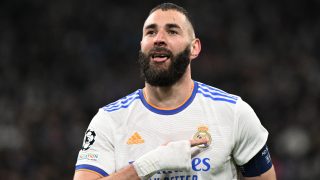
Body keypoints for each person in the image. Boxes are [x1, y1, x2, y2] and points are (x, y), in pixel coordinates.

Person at [74, 2, 277, 180]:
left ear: (194, 48)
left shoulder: (233, 113)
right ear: (141, 45)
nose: (158, 39)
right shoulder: (109, 120)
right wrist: (150, 164)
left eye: (172, 31)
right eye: (151, 32)